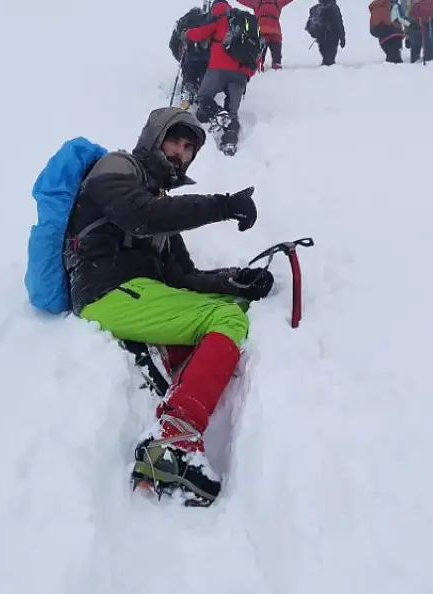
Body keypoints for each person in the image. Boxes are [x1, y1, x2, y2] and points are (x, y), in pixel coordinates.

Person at [63, 107, 276, 505]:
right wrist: (222, 205)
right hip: (105, 291)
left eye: (188, 147)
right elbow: (138, 216)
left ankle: (159, 355)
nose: (180, 151)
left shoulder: (160, 203)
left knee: (231, 305)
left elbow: (183, 277)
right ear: (154, 138)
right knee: (224, 319)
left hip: (136, 293)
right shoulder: (117, 168)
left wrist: (236, 281)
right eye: (174, 140)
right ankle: (172, 442)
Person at [183, 0, 259, 153]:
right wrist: (247, 74)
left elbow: (198, 34)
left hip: (218, 69)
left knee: (203, 98)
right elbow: (257, 54)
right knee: (233, 113)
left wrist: (186, 34)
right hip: (241, 74)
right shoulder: (247, 25)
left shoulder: (220, 20)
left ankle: (218, 113)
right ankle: (229, 141)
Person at [214, 0, 322, 69]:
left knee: (276, 62)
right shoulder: (257, 4)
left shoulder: (277, 3)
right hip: (262, 36)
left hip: (275, 37)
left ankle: (277, 80)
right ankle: (263, 75)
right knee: (259, 62)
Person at [168, 2, 213, 108]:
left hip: (188, 56)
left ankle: (186, 97)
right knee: (203, 80)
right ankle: (202, 103)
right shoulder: (207, 22)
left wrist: (180, 59)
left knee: (188, 76)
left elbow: (173, 44)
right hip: (205, 58)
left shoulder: (184, 22)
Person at [306, 0, 346, 66]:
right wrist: (342, 37)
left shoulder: (316, 8)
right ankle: (328, 70)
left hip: (320, 36)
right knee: (330, 57)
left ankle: (325, 66)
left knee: (325, 54)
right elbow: (339, 23)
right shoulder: (334, 7)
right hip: (332, 36)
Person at [368, 0, 407, 64]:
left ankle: (389, 72)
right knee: (396, 59)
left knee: (391, 57)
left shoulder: (376, 7)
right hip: (396, 34)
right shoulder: (395, 5)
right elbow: (402, 18)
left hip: (382, 36)